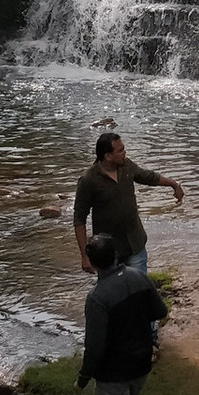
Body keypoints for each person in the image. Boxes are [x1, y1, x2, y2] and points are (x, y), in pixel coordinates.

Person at [74, 132, 183, 351]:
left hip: (135, 243)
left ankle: (149, 338)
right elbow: (79, 218)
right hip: (107, 252)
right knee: (112, 297)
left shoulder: (126, 167)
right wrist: (85, 255)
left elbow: (148, 176)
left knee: (141, 292)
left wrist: (173, 184)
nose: (125, 153)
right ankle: (116, 339)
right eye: (120, 150)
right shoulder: (89, 180)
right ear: (107, 155)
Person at [76, 233, 168, 395]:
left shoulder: (97, 298)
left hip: (113, 375)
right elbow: (160, 311)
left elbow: (94, 347)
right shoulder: (138, 277)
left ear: (92, 263)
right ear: (116, 255)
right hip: (141, 366)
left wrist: (84, 377)